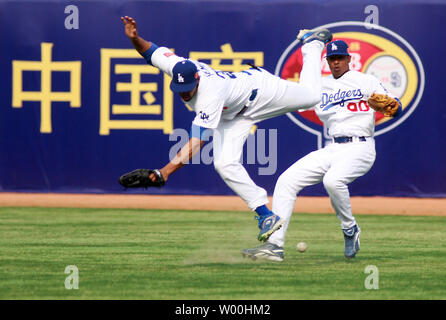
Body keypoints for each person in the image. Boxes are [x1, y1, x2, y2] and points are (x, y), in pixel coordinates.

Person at [120, 16, 333, 242]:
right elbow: (150, 52)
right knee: (224, 163)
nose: (184, 92)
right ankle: (266, 216)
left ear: (197, 78)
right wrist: (134, 39)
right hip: (232, 114)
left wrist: (163, 173)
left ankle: (312, 44)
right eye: (180, 88)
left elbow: (196, 143)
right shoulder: (177, 68)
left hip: (260, 92)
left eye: (188, 88)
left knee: (312, 97)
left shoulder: (209, 93)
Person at [242, 40, 402, 261]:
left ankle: (349, 229)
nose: (336, 63)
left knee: (333, 181)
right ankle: (274, 247)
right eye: (332, 59)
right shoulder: (318, 87)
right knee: (287, 181)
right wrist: (265, 80)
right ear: (327, 61)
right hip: (333, 148)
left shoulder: (366, 81)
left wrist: (393, 106)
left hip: (361, 146)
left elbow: (395, 106)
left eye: (340, 58)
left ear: (349, 59)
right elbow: (286, 91)